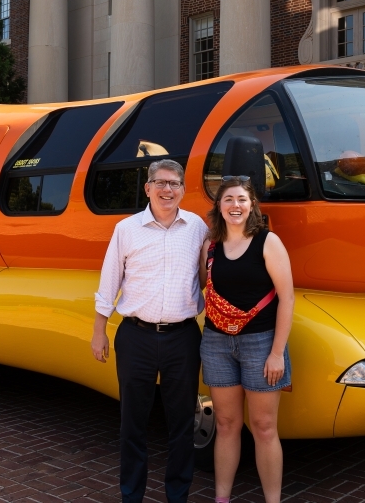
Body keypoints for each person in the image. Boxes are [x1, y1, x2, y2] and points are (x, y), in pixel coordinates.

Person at [91, 159, 209, 503]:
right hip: (135, 337)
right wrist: (99, 331)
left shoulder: (197, 227)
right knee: (132, 425)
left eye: (174, 184)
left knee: (182, 425)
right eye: (160, 182)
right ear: (147, 188)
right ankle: (132, 495)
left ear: (184, 190)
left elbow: (209, 274)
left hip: (183, 338)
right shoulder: (126, 229)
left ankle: (178, 496)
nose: (167, 190)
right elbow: (108, 282)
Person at [199, 176, 294, 503]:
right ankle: (221, 499)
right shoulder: (209, 246)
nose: (235, 206)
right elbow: (203, 287)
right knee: (226, 424)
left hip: (261, 344)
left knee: (264, 426)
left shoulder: (268, 242)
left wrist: (277, 353)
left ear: (252, 205)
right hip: (216, 343)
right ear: (219, 206)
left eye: (241, 199)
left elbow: (287, 299)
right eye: (228, 200)